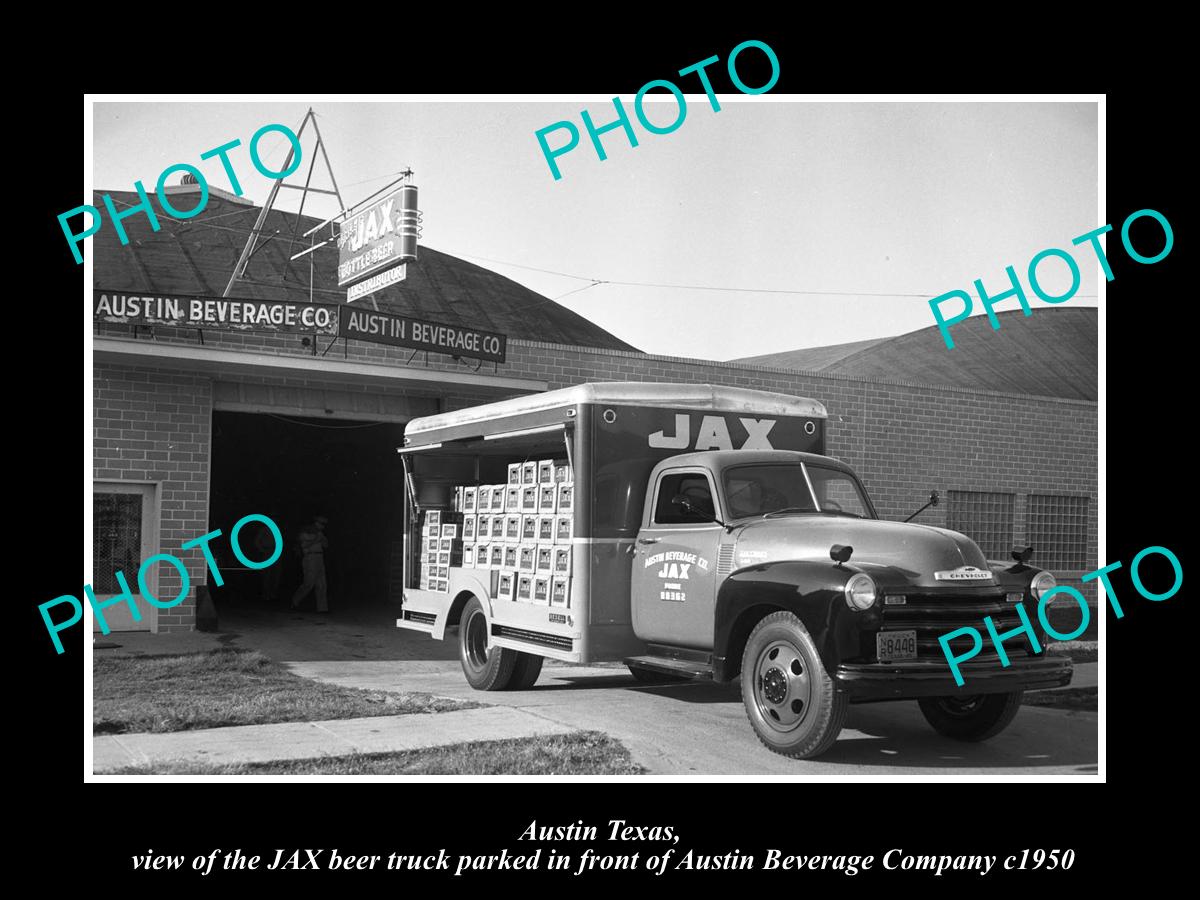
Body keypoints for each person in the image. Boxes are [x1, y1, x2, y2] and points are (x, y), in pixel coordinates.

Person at [290, 515, 329, 612]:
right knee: (309, 583)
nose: (323, 526)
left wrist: (322, 539)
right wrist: (317, 539)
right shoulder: (305, 533)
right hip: (310, 558)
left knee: (322, 584)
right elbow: (304, 545)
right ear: (316, 522)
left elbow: (326, 545)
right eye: (322, 523)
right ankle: (295, 601)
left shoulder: (320, 533)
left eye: (324, 524)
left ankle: (322, 609)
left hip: (320, 557)